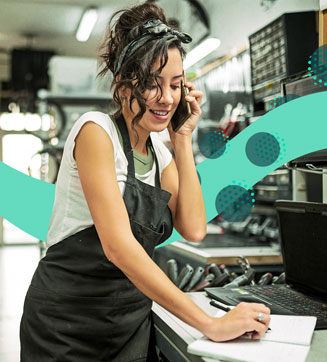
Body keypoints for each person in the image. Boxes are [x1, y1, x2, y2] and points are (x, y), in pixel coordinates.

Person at [20, 3, 270, 362]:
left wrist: (182, 139)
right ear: (123, 85)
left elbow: (195, 227)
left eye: (175, 84)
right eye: (152, 83)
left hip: (129, 322)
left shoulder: (161, 155)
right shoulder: (96, 132)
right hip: (66, 324)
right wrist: (208, 323)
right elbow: (119, 248)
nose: (167, 98)